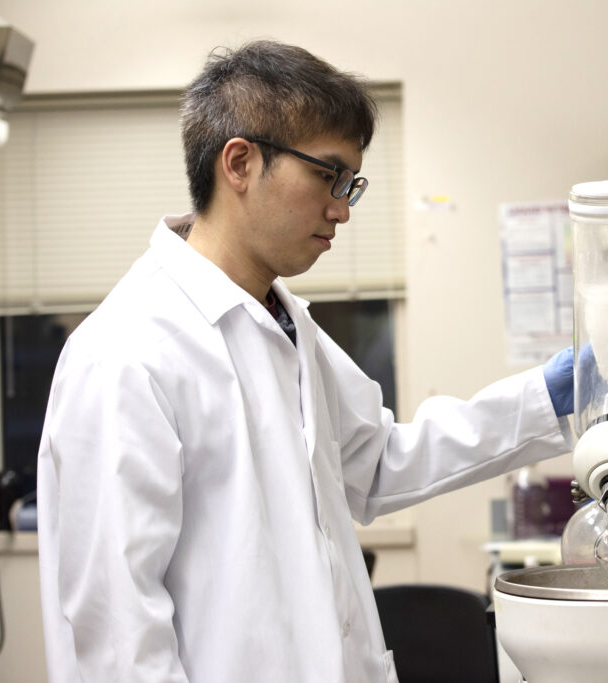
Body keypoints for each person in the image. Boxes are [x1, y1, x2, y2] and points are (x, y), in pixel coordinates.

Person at [36, 40, 574, 683]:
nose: (342, 209)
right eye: (328, 176)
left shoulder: (287, 325)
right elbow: (122, 641)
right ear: (240, 162)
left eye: (352, 185)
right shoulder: (126, 353)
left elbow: (374, 465)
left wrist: (546, 396)